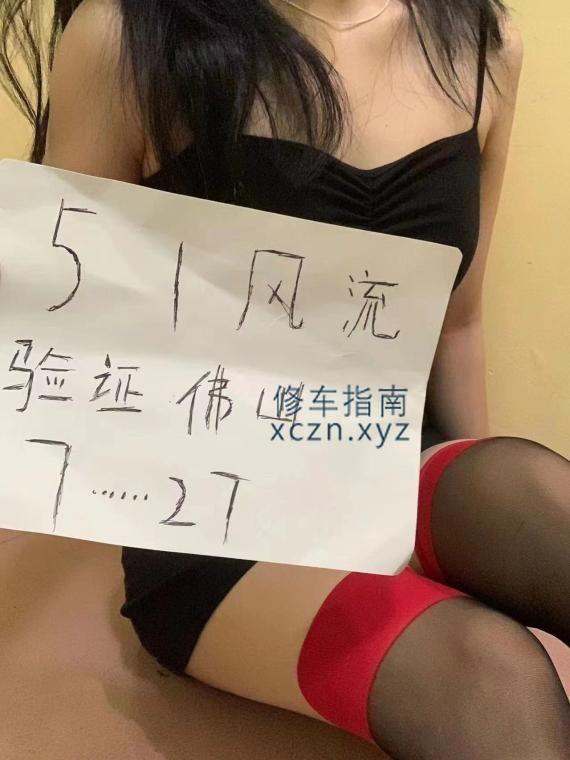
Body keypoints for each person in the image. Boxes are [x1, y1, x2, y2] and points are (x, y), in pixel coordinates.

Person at [1, 1, 569, 757]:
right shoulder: (130, 36)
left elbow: (457, 324)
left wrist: (463, 526)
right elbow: (67, 336)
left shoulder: (485, 44)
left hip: (383, 453)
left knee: (546, 507)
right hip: (213, 513)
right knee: (489, 673)